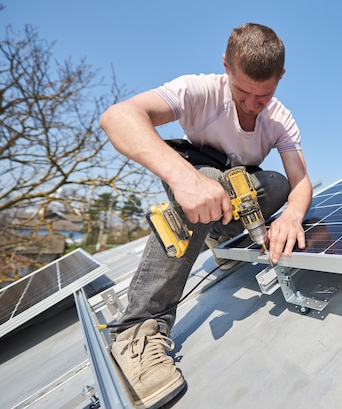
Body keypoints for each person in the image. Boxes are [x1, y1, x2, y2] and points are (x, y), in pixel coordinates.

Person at [99, 23, 312, 408]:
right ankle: (137, 330)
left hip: (236, 192)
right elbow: (117, 117)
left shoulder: (280, 118)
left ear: (281, 78)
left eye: (263, 95)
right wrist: (184, 178)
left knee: (278, 184)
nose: (252, 104)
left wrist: (292, 215)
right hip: (192, 177)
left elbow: (301, 182)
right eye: (242, 91)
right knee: (210, 178)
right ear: (226, 66)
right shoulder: (198, 90)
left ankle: (218, 235)